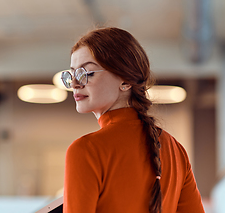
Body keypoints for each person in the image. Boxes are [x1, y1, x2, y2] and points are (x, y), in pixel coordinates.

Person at [61, 27, 205, 213]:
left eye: (86, 73)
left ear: (125, 81)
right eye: (72, 74)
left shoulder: (86, 150)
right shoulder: (175, 150)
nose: (74, 83)